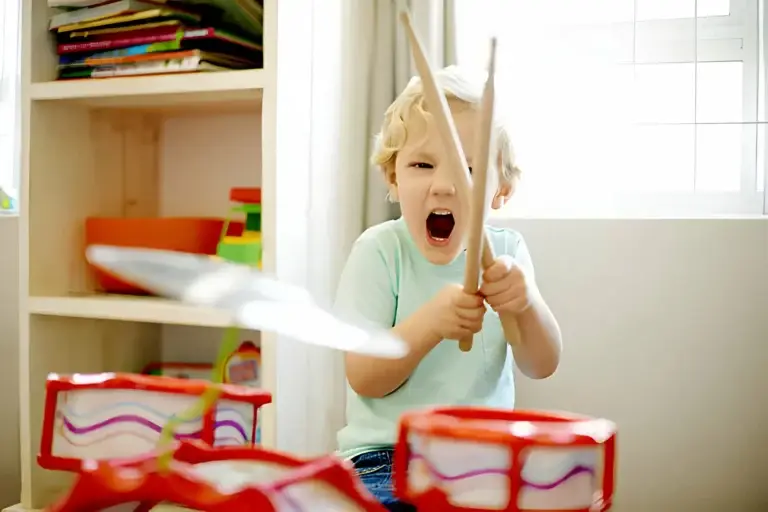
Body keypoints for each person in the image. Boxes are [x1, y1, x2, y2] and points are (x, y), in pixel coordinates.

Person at [334, 65, 563, 511]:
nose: (444, 185)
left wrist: (526, 304)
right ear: (393, 177)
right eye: (422, 164)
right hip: (388, 457)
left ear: (502, 189)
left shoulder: (508, 252)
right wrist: (429, 324)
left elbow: (541, 364)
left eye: (469, 169)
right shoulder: (379, 252)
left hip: (488, 458)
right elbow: (363, 375)